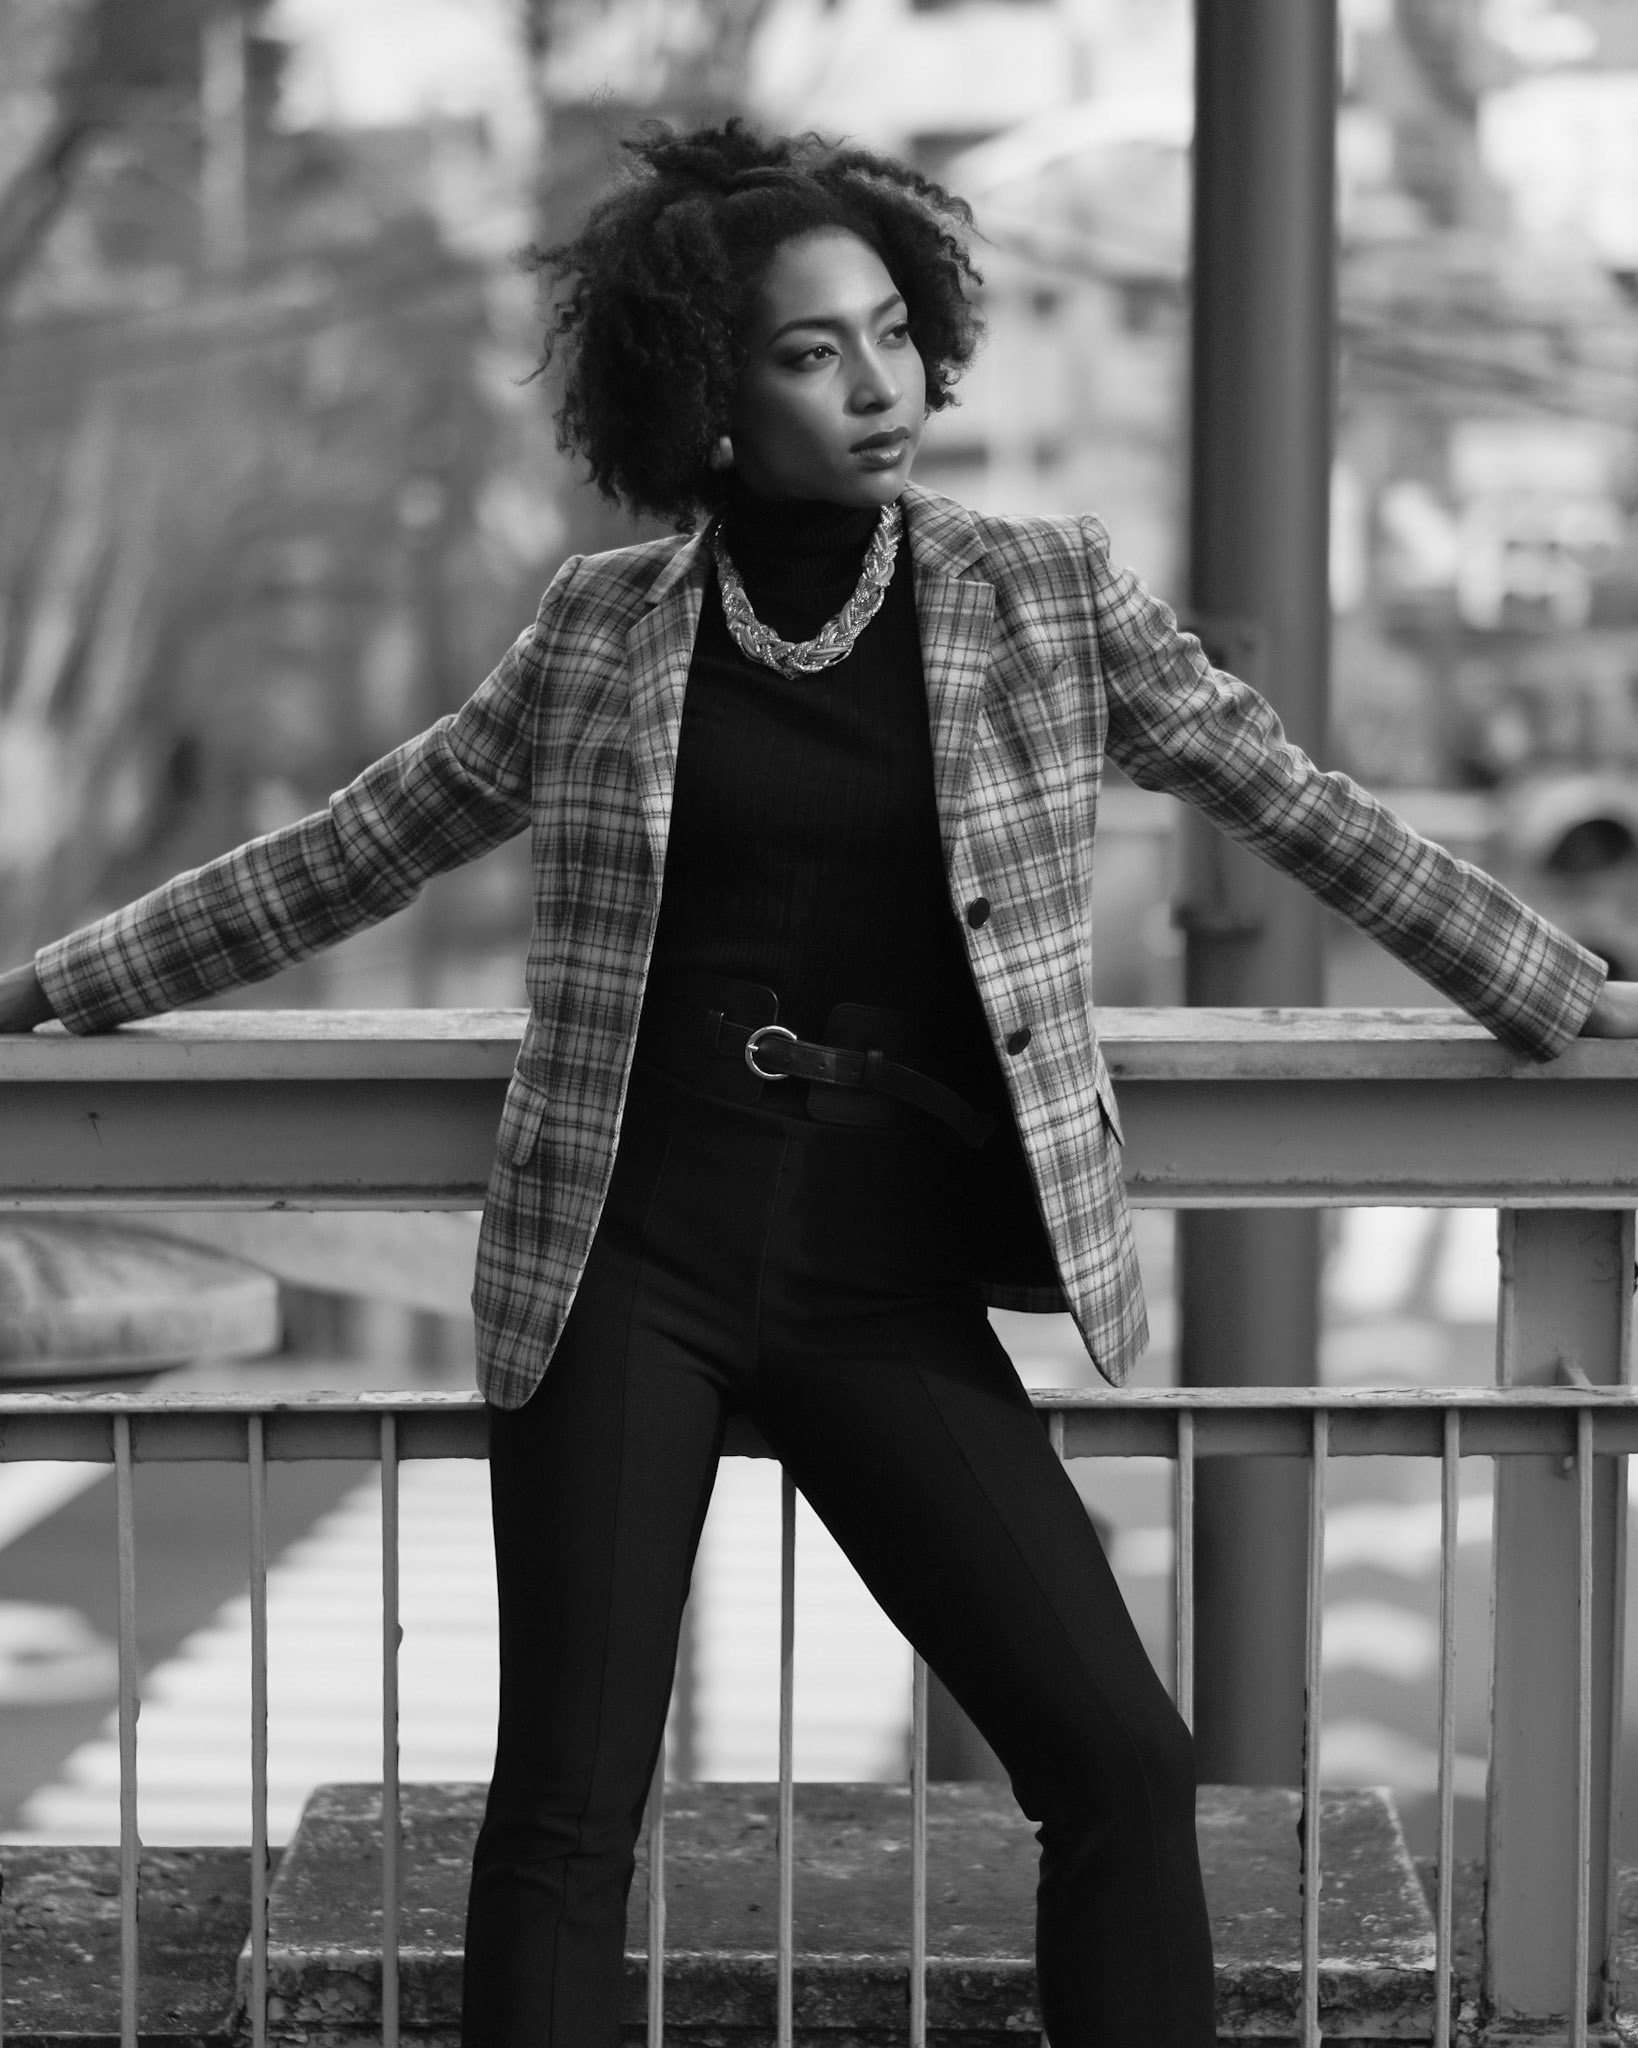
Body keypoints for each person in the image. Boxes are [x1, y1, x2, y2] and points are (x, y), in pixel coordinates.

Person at [2, 121, 1636, 2048]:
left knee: (1115, 1757)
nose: (882, 388)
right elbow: (347, 852)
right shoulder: (599, 632)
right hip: (631, 1261)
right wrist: (36, 991)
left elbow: (1290, 800)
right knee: (562, 1822)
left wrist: (1554, 989)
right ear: (701, 393)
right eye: (809, 352)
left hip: (884, 1281)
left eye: (892, 335)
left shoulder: (1038, 594)